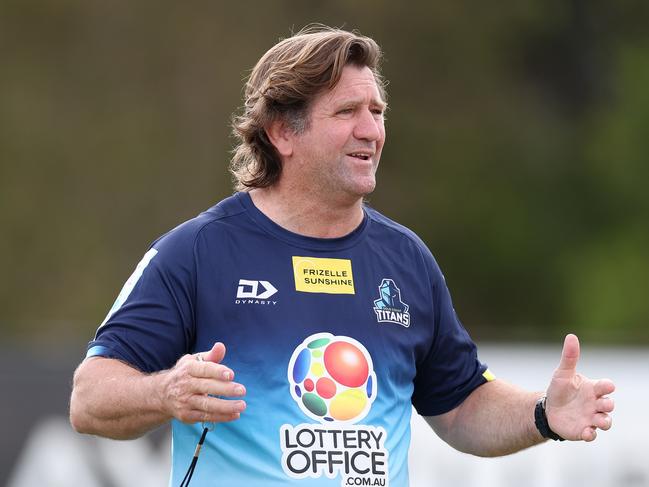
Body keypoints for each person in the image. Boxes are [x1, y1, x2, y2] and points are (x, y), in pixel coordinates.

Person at [70, 25, 615, 486]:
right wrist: (166, 390)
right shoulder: (197, 251)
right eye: (347, 111)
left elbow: (460, 404)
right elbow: (89, 397)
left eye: (377, 111)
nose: (371, 130)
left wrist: (544, 414)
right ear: (283, 131)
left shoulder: (407, 260)